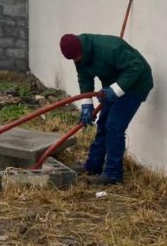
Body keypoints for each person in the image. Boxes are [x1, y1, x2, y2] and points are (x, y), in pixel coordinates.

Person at [59, 33, 153, 185]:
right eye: (73, 59)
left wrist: (114, 90)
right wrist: (86, 105)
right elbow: (84, 78)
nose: (76, 61)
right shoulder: (79, 55)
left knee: (114, 126)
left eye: (77, 57)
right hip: (114, 85)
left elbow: (137, 67)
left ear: (82, 49)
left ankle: (113, 175)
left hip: (136, 85)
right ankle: (93, 165)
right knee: (103, 123)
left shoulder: (110, 48)